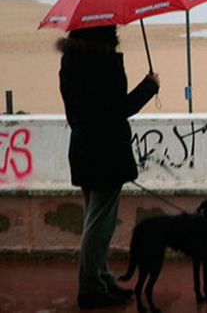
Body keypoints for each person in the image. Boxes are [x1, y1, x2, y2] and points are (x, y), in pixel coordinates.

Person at [57, 25, 160, 309]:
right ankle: (91, 287)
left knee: (95, 218)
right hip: (106, 152)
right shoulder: (104, 63)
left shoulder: (69, 62)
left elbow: (82, 110)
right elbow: (117, 109)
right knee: (99, 224)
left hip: (82, 148)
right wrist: (149, 87)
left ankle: (101, 278)